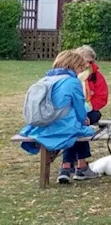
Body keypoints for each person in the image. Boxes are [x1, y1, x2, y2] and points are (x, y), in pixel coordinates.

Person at [19, 50, 99, 183]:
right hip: (61, 126)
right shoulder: (72, 82)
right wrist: (83, 120)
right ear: (73, 65)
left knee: (76, 128)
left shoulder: (46, 79)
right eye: (80, 68)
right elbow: (80, 111)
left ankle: (68, 166)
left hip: (42, 125)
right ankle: (80, 166)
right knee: (84, 130)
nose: (80, 72)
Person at [75, 45, 109, 126]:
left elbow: (102, 97)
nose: (87, 65)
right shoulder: (69, 73)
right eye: (85, 61)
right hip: (70, 110)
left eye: (90, 62)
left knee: (96, 115)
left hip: (89, 110)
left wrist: (88, 107)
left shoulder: (96, 76)